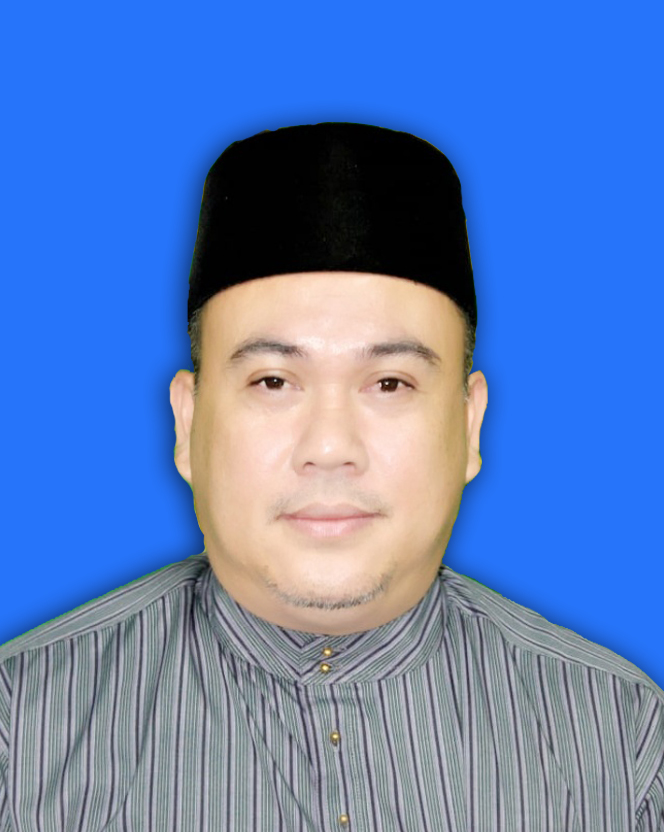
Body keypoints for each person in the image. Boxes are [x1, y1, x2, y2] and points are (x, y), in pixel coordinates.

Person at [1, 122, 662, 831]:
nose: (328, 447)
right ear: (188, 424)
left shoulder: (620, 734)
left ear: (469, 426)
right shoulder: (22, 725)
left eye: (390, 383)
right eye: (273, 381)